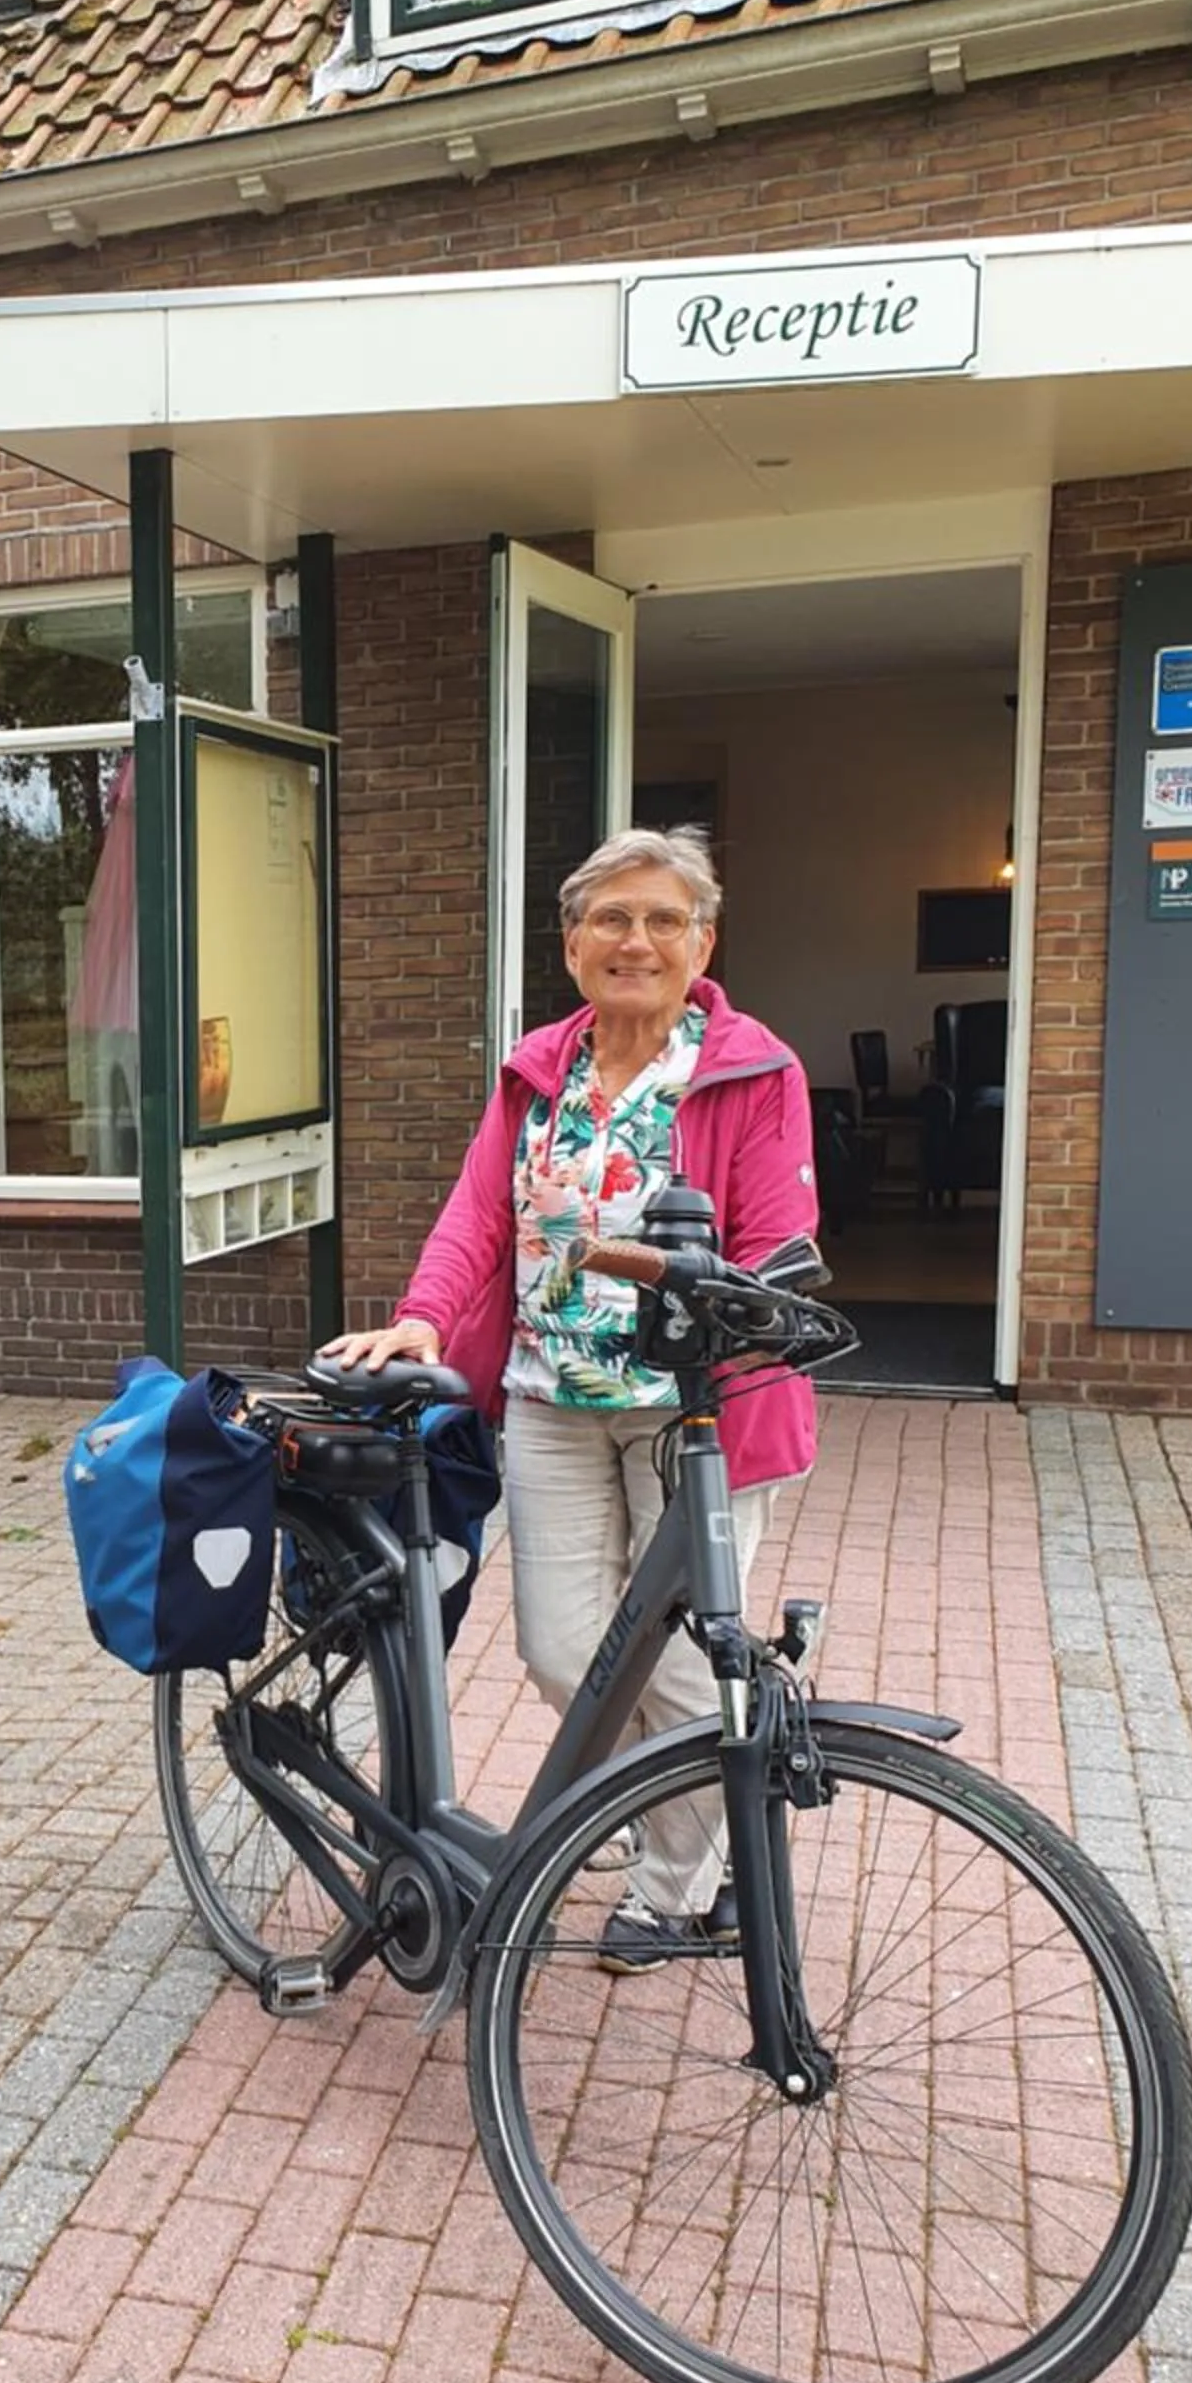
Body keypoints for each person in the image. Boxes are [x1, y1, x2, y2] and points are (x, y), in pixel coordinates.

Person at [324, 826, 817, 1971]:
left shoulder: (752, 1069)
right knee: (565, 1656)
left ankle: (673, 1887)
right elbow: (478, 1217)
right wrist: (425, 1316)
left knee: (690, 1661)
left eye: (660, 919)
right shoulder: (539, 1068)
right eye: (611, 918)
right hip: (550, 1398)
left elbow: (779, 1242)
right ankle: (716, 1821)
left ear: (704, 940)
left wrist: (727, 1308)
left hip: (697, 1415)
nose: (634, 941)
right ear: (572, 940)